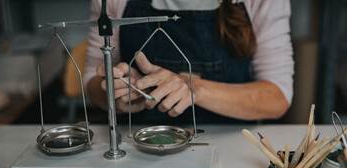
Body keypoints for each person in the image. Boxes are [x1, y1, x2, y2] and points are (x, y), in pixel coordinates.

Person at [84, 0, 294, 125]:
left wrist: (195, 89)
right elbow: (91, 81)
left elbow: (277, 97)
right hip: (140, 145)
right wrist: (116, 94)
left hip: (229, 146)